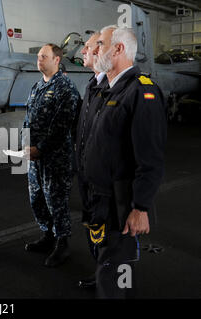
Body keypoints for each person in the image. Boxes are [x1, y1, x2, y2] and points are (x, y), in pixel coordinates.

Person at [77, 25, 167, 298]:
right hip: (99, 199)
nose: (94, 50)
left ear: (118, 49)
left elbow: (150, 157)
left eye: (100, 44)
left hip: (120, 204)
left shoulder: (141, 92)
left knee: (116, 275)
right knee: (107, 265)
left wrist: (140, 207)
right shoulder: (107, 89)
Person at [23, 43, 80, 267]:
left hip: (55, 158)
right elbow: (27, 120)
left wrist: (41, 149)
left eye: (44, 56)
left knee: (56, 201)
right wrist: (25, 145)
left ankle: (62, 243)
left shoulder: (66, 88)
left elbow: (62, 126)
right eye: (38, 56)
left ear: (57, 60)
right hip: (35, 157)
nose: (39, 59)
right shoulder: (37, 86)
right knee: (37, 199)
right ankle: (47, 235)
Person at [75, 32, 108, 289]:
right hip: (87, 176)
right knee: (93, 229)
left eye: (87, 47)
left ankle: (112, 282)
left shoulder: (114, 88)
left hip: (104, 181)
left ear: (100, 51)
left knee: (108, 235)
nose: (82, 52)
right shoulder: (92, 85)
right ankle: (100, 274)